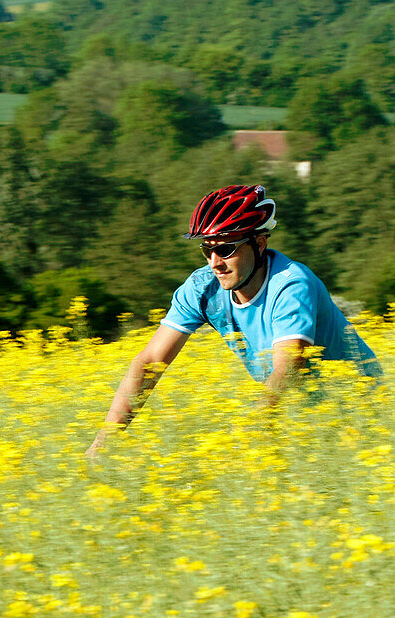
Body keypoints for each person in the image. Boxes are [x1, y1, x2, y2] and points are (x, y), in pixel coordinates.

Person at [88, 184, 382, 456]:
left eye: (226, 249)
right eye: (207, 249)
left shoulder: (292, 284)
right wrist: (103, 445)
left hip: (360, 410)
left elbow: (290, 365)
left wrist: (252, 431)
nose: (215, 262)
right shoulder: (202, 289)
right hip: (300, 417)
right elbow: (149, 362)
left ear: (260, 243)